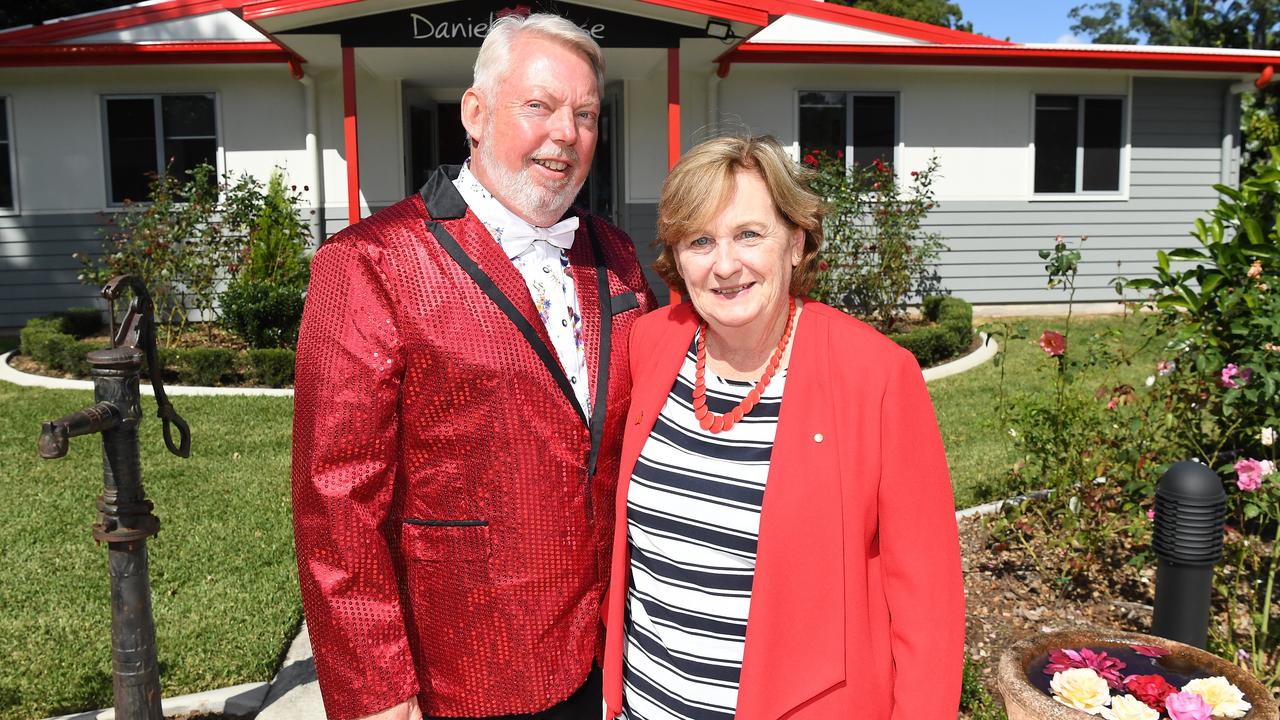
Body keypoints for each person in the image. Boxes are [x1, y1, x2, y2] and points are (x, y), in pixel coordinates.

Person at [292, 13, 656, 720]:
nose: (566, 134)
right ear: (476, 113)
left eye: (585, 114)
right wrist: (375, 690)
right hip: (460, 675)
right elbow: (335, 500)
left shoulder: (614, 255)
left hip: (608, 659)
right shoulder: (370, 262)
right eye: (540, 106)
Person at [600, 135, 964, 719]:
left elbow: (929, 602)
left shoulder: (875, 375)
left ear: (796, 242)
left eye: (749, 234)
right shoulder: (653, 342)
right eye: (700, 240)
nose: (724, 265)